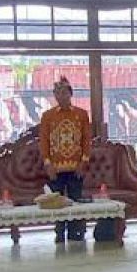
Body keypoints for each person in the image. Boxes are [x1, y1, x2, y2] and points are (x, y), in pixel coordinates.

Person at [39, 77, 91, 242]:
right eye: (57, 93)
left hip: (77, 166)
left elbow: (86, 140)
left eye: (64, 92)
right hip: (56, 168)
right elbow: (44, 141)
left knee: (75, 201)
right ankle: (59, 233)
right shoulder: (47, 116)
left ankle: (77, 233)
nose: (61, 96)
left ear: (70, 94)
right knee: (57, 202)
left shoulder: (81, 114)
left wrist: (84, 162)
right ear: (54, 95)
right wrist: (48, 164)